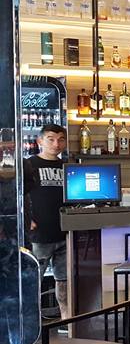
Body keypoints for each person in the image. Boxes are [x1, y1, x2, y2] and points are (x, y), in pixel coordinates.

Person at [23, 124, 68, 318]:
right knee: (32, 283)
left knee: (64, 283)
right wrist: (26, 218)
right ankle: (31, 326)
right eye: (51, 139)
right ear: (40, 141)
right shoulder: (28, 165)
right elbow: (15, 194)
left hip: (66, 233)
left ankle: (67, 321)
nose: (56, 144)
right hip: (39, 236)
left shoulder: (68, 166)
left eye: (61, 139)